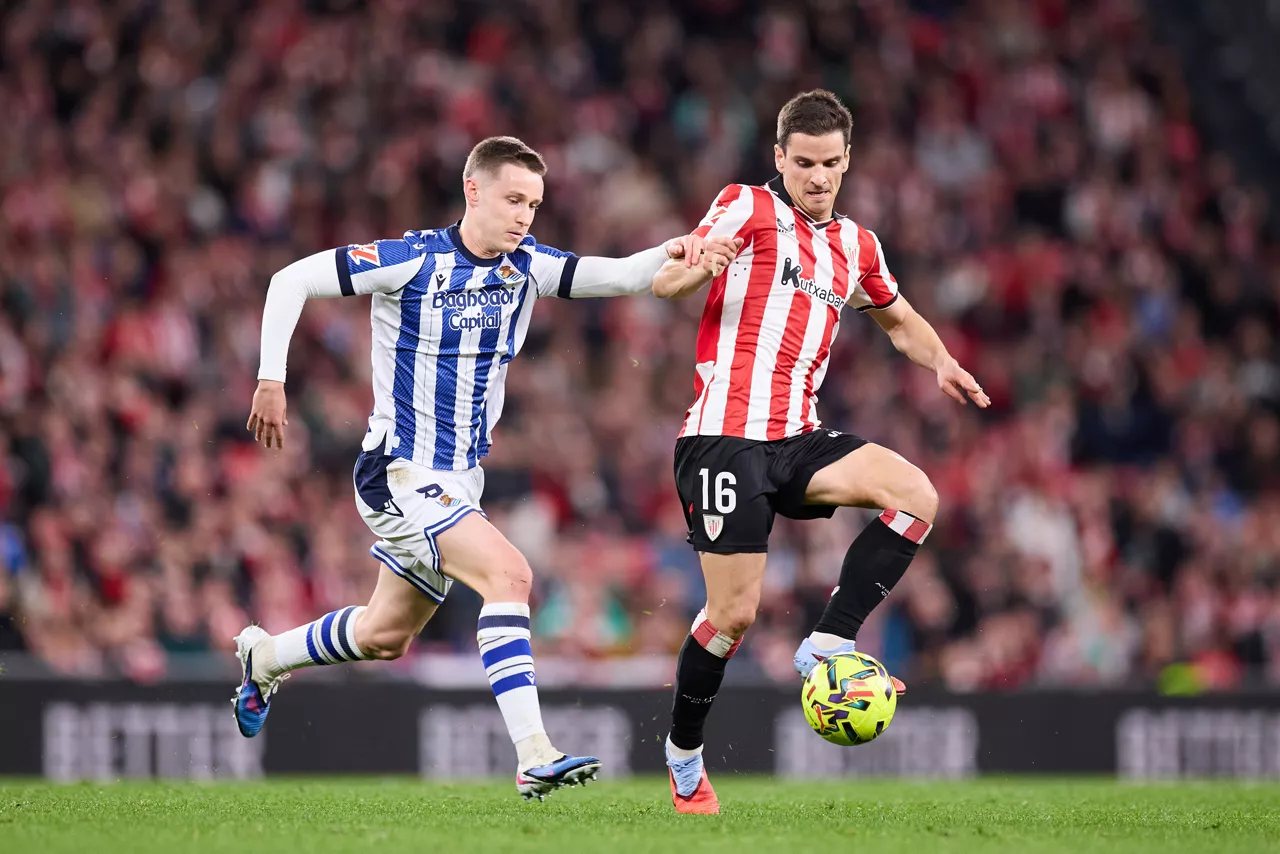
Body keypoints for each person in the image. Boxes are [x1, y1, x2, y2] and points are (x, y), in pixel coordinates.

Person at [237, 136, 738, 800]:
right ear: (474, 191)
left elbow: (615, 274)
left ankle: (265, 657)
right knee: (510, 573)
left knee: (385, 634)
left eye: (533, 202)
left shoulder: (525, 265)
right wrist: (272, 379)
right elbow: (290, 279)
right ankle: (534, 753)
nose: (525, 215)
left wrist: (677, 249)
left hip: (457, 480)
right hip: (400, 471)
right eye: (512, 199)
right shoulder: (411, 259)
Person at [650, 91, 990, 814]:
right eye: (803, 162)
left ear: (846, 162)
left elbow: (898, 320)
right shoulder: (744, 206)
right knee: (733, 616)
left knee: (917, 497)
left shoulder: (856, 246)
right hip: (722, 440)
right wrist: (698, 265)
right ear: (779, 158)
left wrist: (941, 361)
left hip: (798, 437)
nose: (817, 176)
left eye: (830, 164)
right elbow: (665, 281)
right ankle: (683, 751)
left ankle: (827, 644)